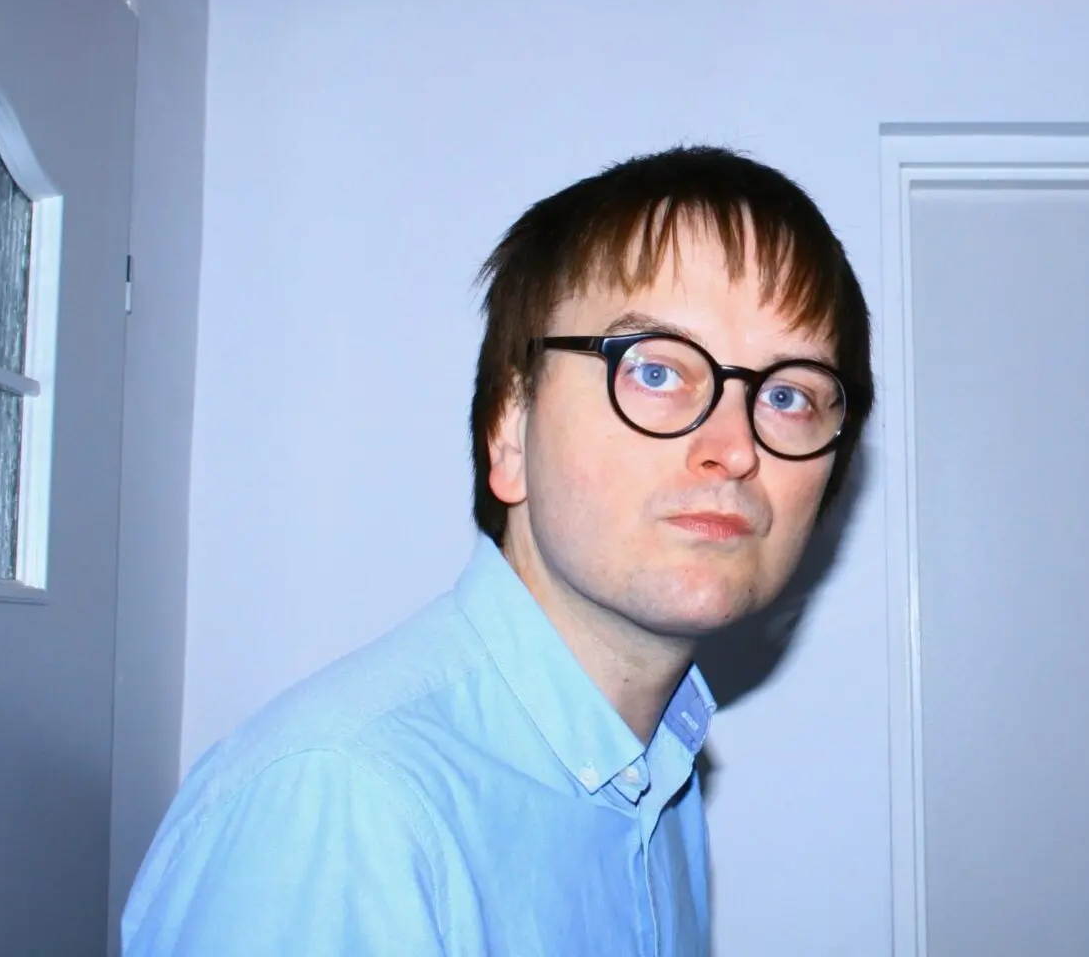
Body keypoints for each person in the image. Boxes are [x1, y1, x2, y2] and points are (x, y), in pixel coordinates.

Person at [122, 146, 874, 955]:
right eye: (656, 372)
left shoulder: (661, 782)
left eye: (790, 394)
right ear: (509, 433)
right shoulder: (341, 803)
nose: (734, 448)